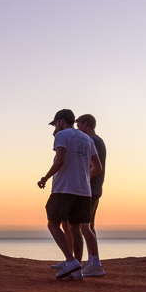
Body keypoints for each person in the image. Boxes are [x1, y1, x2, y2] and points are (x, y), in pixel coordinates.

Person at [37, 109, 101, 279]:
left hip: (64, 189)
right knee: (76, 229)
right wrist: (83, 177)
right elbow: (98, 167)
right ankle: (77, 271)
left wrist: (45, 178)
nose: (55, 127)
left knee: (53, 223)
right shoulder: (87, 138)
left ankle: (70, 260)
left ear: (61, 121)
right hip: (84, 191)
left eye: (55, 123)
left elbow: (60, 160)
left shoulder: (62, 135)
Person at [74, 114, 106, 276]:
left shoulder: (93, 142)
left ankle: (96, 264)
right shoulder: (98, 141)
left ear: (86, 124)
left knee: (84, 226)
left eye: (79, 125)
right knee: (89, 226)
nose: (78, 129)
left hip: (90, 189)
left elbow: (95, 166)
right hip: (95, 188)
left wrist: (82, 180)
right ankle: (92, 261)